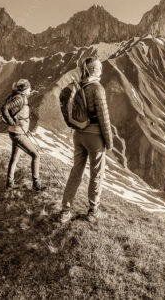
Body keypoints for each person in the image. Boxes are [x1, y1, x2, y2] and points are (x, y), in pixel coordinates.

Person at [59, 57, 113, 223]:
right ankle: (92, 210)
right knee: (96, 173)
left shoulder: (78, 85)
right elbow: (104, 118)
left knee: (76, 171)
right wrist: (109, 142)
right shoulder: (97, 88)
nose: (101, 72)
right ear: (95, 70)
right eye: (99, 69)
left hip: (78, 134)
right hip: (95, 136)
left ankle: (65, 210)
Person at [2, 79, 46, 191]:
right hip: (18, 133)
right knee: (36, 155)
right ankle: (36, 184)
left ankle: (9, 184)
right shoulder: (19, 98)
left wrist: (23, 127)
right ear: (25, 89)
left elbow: (17, 113)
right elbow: (4, 108)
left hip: (16, 132)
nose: (30, 90)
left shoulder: (17, 96)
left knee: (15, 157)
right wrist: (12, 122)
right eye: (29, 88)